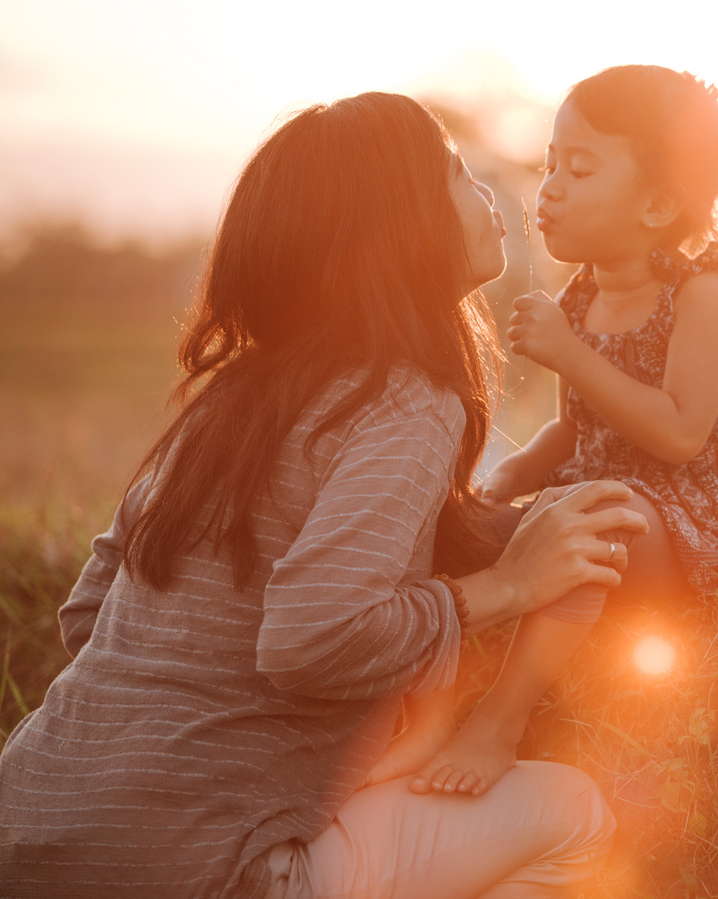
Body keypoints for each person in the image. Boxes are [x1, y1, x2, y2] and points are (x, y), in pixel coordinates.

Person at [0, 92, 644, 899]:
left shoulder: (231, 399)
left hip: (25, 832)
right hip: (207, 870)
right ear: (400, 227)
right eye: (452, 172)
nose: (485, 190)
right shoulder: (407, 399)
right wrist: (508, 586)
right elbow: (309, 637)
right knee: (575, 816)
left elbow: (89, 618)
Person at [371, 65, 718, 799]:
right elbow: (575, 430)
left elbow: (678, 435)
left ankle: (500, 721)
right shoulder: (584, 293)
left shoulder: (705, 293)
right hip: (616, 495)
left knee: (600, 512)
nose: (550, 189)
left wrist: (567, 352)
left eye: (581, 169)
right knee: (479, 524)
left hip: (714, 518)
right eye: (551, 164)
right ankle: (419, 706)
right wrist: (507, 478)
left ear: (660, 203)